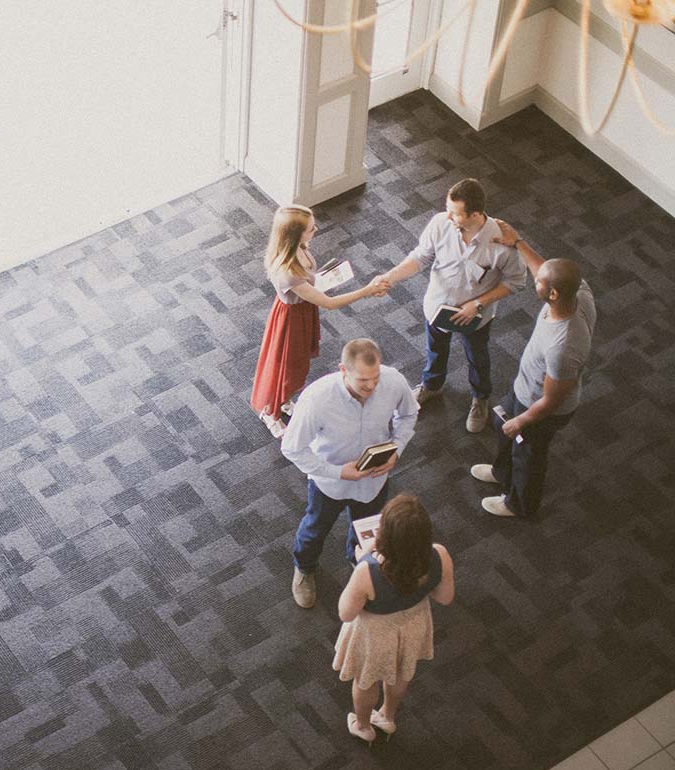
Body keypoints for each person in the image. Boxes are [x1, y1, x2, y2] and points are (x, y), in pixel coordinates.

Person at [378, 178, 526, 433]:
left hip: (475, 316)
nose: (448, 216)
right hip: (437, 306)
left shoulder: (502, 242)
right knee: (435, 349)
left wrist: (478, 303)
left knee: (477, 357)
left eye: (455, 213)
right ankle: (432, 386)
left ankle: (480, 397)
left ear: (476, 214)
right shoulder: (440, 223)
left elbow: (517, 281)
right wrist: (390, 276)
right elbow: (420, 257)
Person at [471, 220, 596, 517]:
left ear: (552, 294)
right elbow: (544, 270)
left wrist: (523, 420)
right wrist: (518, 243)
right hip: (524, 388)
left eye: (540, 282)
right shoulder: (579, 292)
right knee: (506, 434)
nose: (535, 279)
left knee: (528, 453)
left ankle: (519, 504)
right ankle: (502, 473)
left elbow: (552, 401)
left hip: (540, 407)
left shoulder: (563, 346)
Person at [281, 338, 418, 608]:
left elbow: (409, 415)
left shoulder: (393, 381)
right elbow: (292, 448)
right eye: (363, 380)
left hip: (374, 480)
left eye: (375, 378)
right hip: (330, 483)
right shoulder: (317, 400)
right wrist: (337, 472)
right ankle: (304, 568)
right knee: (315, 529)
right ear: (343, 370)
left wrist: (397, 450)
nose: (371, 386)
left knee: (368, 529)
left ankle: (359, 562)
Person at [251, 205, 387, 438]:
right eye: (311, 228)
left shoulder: (298, 248)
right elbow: (329, 303)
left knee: (296, 364)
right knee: (286, 366)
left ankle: (283, 400)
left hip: (302, 310)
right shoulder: (288, 271)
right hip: (291, 320)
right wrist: (366, 290)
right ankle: (270, 412)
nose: (316, 230)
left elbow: (312, 284)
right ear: (296, 235)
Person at [333, 494, 454, 742]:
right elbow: (445, 597)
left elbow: (345, 612)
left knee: (366, 681)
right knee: (401, 673)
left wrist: (362, 560)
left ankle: (363, 726)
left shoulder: (368, 571)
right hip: (413, 623)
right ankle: (387, 716)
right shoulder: (439, 554)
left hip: (375, 633)